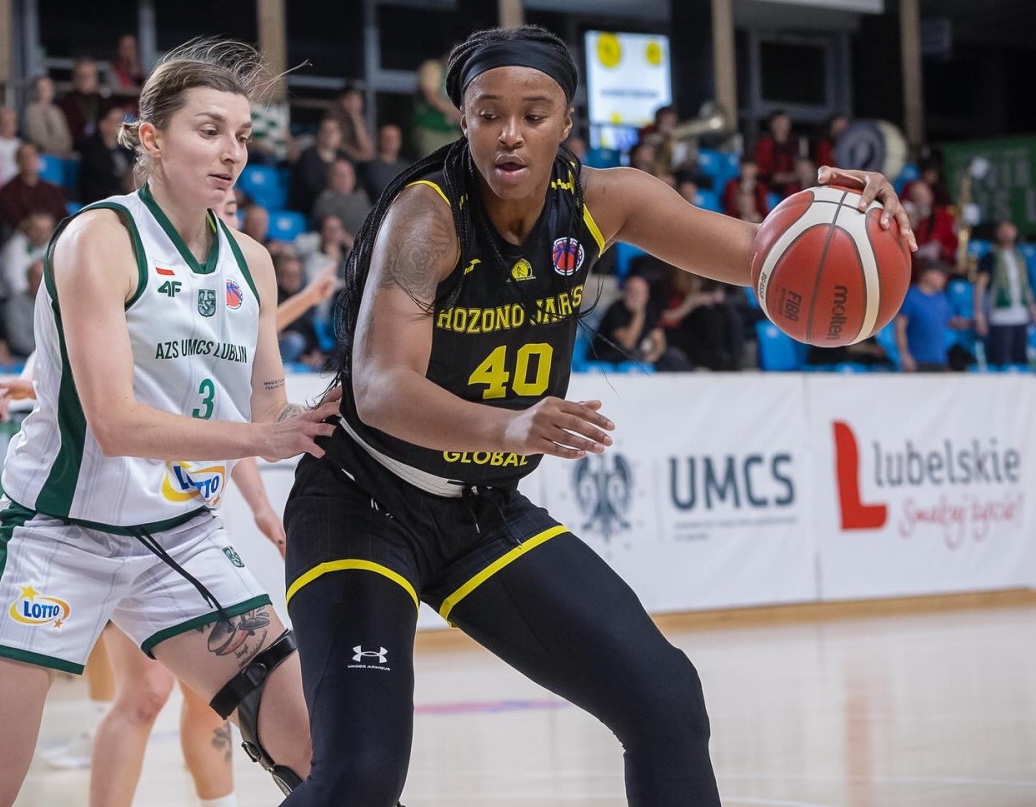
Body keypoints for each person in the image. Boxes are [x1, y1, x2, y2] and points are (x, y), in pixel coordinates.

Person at [278, 26, 914, 807]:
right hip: (362, 501)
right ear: (463, 120)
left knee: (665, 700)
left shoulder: (604, 200)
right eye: (489, 114)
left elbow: (767, 255)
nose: (511, 133)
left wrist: (851, 218)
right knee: (360, 774)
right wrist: (510, 427)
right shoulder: (427, 217)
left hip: (479, 511)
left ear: (567, 122)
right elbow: (380, 386)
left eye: (534, 113)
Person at [0, 38, 341, 807]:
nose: (232, 152)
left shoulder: (252, 261)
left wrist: (341, 411)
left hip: (179, 537)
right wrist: (262, 438)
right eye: (209, 130)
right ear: (151, 137)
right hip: (60, 533)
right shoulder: (99, 238)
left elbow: (269, 409)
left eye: (242, 135)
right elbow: (114, 423)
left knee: (318, 746)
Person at [975, 220, 1036, 366]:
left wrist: (1033, 309)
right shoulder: (990, 257)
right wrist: (979, 313)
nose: (1006, 232)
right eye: (1003, 229)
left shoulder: (1020, 258)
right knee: (1000, 361)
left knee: (1020, 362)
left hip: (1021, 315)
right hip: (1000, 316)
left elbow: (1025, 286)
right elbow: (980, 285)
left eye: (1010, 229)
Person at [78, 105, 136, 204]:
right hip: (100, 197)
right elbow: (101, 177)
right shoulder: (91, 148)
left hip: (124, 195)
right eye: (115, 121)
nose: (120, 125)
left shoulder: (126, 147)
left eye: (121, 121)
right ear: (103, 124)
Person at [24, 76, 74, 158]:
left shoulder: (56, 110)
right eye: (41, 88)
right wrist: (55, 150)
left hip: (62, 155)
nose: (44, 91)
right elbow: (38, 139)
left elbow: (66, 137)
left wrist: (64, 148)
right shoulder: (31, 110)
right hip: (42, 156)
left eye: (47, 88)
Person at [363, 123, 405, 202]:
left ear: (399, 141)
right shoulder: (370, 167)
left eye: (393, 138)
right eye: (387, 138)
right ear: (379, 139)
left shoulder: (407, 168)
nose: (390, 142)